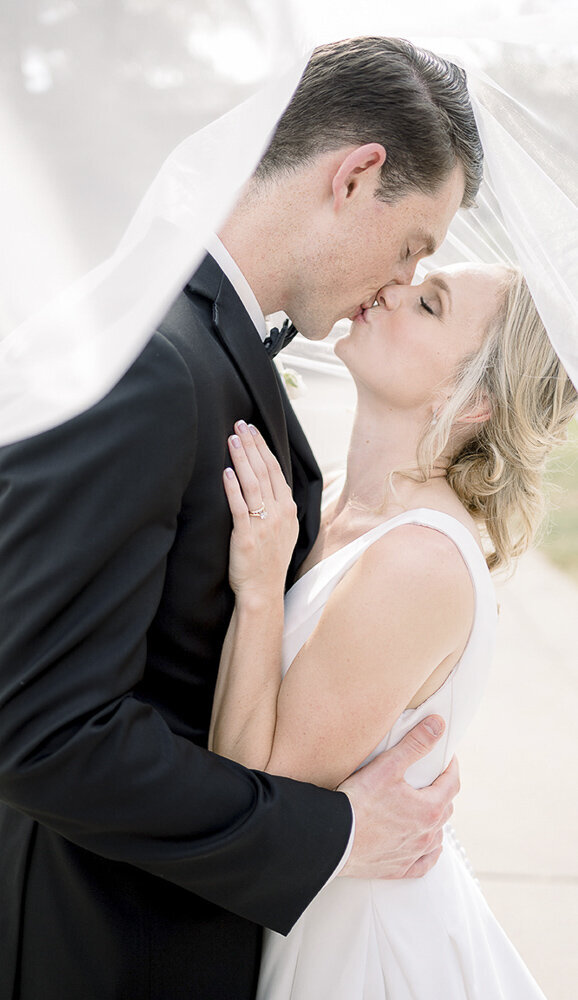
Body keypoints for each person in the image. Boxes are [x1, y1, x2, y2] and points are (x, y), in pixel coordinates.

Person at [0, 38, 483, 1000]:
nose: (398, 282)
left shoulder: (204, 341)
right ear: (357, 175)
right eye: (412, 245)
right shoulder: (142, 361)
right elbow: (49, 735)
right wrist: (336, 834)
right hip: (105, 953)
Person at [212, 262, 578, 998]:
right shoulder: (345, 502)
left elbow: (254, 806)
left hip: (365, 956)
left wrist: (258, 594)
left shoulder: (418, 561)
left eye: (429, 305)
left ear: (469, 398)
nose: (387, 288)